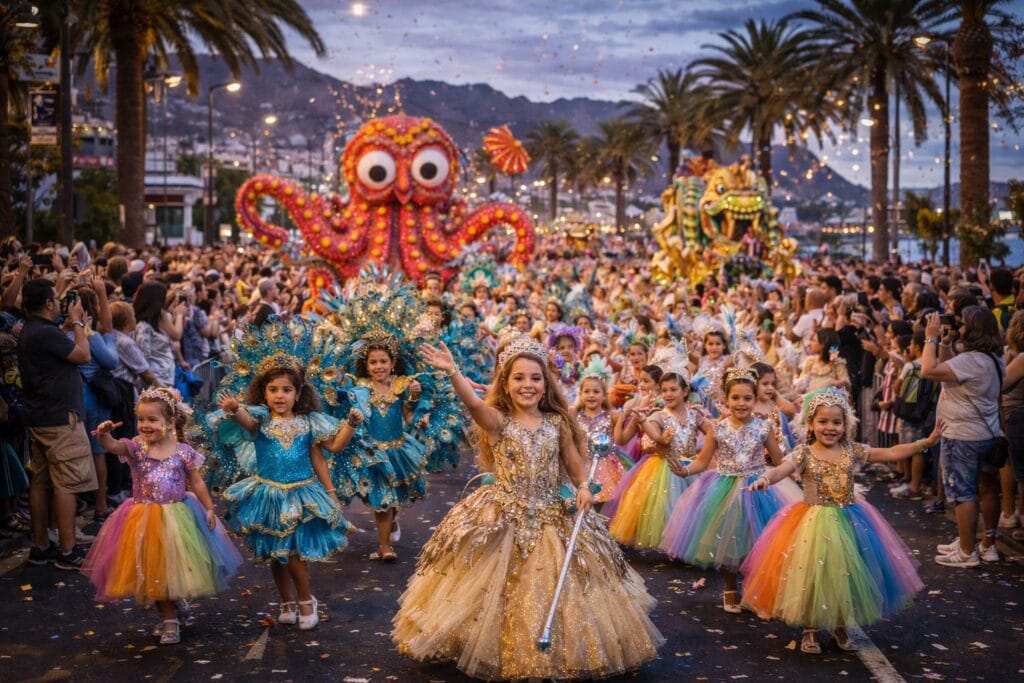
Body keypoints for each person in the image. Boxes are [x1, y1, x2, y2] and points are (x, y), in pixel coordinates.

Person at [395, 335, 664, 680]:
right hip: (503, 516)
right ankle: (492, 649)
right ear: (505, 384)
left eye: (536, 378)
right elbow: (474, 406)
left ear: (546, 383)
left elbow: (574, 465)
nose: (528, 385)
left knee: (554, 588)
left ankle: (553, 652)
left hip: (552, 515)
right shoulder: (498, 421)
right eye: (519, 377)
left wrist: (583, 487)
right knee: (496, 591)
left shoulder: (557, 423)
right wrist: (453, 372)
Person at [742, 388, 936, 654]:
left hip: (849, 520)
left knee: (846, 576)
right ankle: (810, 629)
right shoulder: (804, 453)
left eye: (836, 422)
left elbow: (890, 453)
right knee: (811, 576)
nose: (830, 428)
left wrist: (925, 442)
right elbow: (782, 470)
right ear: (811, 423)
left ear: (846, 425)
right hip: (811, 523)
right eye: (823, 421)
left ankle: (840, 625)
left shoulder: (850, 450)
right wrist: (765, 478)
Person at [81, 388, 242, 645]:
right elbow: (113, 446)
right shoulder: (136, 448)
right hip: (144, 518)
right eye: (141, 419)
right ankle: (168, 619)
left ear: (169, 422)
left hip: (179, 518)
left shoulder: (183, 451)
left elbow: (197, 482)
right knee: (153, 570)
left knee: (173, 569)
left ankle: (175, 604)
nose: (145, 425)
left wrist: (209, 508)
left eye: (152, 419)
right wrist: (103, 434)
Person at [213, 355, 360, 630]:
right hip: (268, 496)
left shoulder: (309, 423)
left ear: (298, 393)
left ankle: (306, 600)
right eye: (273, 390)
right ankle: (286, 602)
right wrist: (234, 409)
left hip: (302, 495)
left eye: (286, 389)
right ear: (263, 392)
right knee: (275, 554)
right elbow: (245, 422)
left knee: (292, 553)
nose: (279, 395)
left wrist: (350, 425)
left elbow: (330, 450)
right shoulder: (260, 420)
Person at [659, 368, 801, 613]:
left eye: (747, 398)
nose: (741, 403)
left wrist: (797, 469)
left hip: (758, 489)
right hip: (724, 489)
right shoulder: (717, 428)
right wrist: (686, 471)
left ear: (755, 398)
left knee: (761, 543)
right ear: (726, 398)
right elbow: (703, 461)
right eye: (735, 397)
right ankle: (730, 587)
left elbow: (779, 461)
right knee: (727, 541)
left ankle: (757, 592)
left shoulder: (764, 427)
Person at [19, 278, 97, 570]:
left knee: (40, 483)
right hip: (60, 419)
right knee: (67, 483)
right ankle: (67, 550)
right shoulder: (45, 332)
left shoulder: (32, 329)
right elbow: (83, 355)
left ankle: (41, 546)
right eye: (56, 297)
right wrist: (77, 324)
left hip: (40, 416)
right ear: (48, 303)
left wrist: (65, 327)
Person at [921, 307, 1004, 567]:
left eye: (963, 324)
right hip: (985, 434)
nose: (960, 328)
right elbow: (948, 372)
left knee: (963, 494)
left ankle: (968, 552)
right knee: (984, 489)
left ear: (974, 330)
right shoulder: (993, 359)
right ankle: (975, 542)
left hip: (962, 437)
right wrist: (945, 344)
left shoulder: (971, 360)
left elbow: (928, 370)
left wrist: (930, 337)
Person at [604, 367, 709, 549]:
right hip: (665, 469)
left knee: (691, 510)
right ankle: (669, 546)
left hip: (690, 468)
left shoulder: (694, 414)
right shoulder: (658, 415)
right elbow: (650, 433)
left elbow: (714, 432)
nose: (668, 394)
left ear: (685, 391)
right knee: (666, 509)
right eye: (664, 390)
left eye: (673, 389)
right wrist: (640, 421)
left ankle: (683, 547)